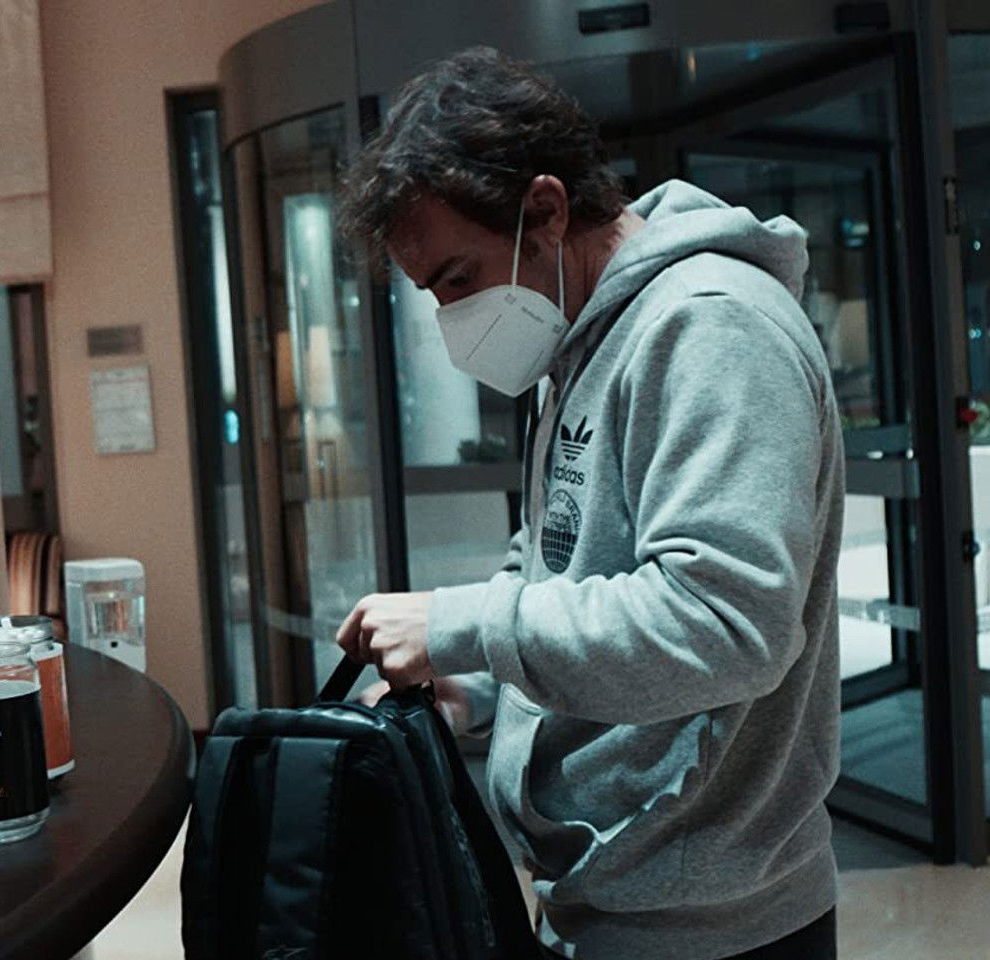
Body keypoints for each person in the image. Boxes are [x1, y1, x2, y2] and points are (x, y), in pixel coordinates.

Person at [335, 47, 843, 960]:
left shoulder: (711, 325)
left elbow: (725, 622)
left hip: (708, 924)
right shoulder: (576, 340)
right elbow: (555, 559)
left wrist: (462, 625)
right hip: (605, 894)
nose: (453, 318)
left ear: (545, 210)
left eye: (459, 278)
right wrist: (471, 682)